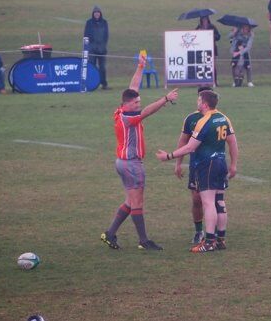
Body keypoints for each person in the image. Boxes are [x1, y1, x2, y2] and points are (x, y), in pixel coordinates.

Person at [100, 55, 179, 251]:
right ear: (127, 105)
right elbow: (148, 112)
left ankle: (110, 234)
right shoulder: (129, 117)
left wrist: (140, 66)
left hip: (122, 162)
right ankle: (143, 241)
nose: (138, 105)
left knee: (130, 201)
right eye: (135, 103)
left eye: (138, 102)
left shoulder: (120, 110)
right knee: (137, 202)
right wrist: (166, 99)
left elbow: (133, 86)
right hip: (132, 164)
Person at [157, 90, 238, 253]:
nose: (197, 102)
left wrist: (169, 156)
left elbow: (190, 147)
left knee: (208, 203)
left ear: (205, 104)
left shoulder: (204, 121)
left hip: (207, 165)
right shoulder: (224, 118)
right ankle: (221, 239)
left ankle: (208, 242)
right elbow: (233, 142)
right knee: (220, 202)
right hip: (221, 163)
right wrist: (234, 164)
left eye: (199, 100)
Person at [174, 86, 213, 245]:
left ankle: (215, 232)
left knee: (213, 200)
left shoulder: (218, 118)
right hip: (196, 166)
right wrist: (178, 163)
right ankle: (199, 231)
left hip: (213, 165)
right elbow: (183, 141)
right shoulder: (191, 119)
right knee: (197, 200)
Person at [84, 5, 110, 89]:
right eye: (95, 13)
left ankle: (104, 84)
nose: (97, 14)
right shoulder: (89, 22)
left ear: (100, 14)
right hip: (92, 49)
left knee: (102, 67)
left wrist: (103, 45)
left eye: (98, 13)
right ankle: (92, 84)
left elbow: (106, 35)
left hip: (102, 49)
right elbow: (86, 35)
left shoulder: (104, 22)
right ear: (93, 14)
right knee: (92, 66)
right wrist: (89, 47)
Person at [196, 16, 221, 85]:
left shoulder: (212, 27)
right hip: (202, 49)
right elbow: (194, 36)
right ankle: (202, 81)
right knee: (202, 66)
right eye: (203, 19)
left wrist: (210, 34)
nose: (205, 21)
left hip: (212, 48)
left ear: (208, 20)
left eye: (206, 19)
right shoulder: (199, 27)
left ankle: (214, 81)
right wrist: (198, 32)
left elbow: (218, 36)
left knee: (213, 65)